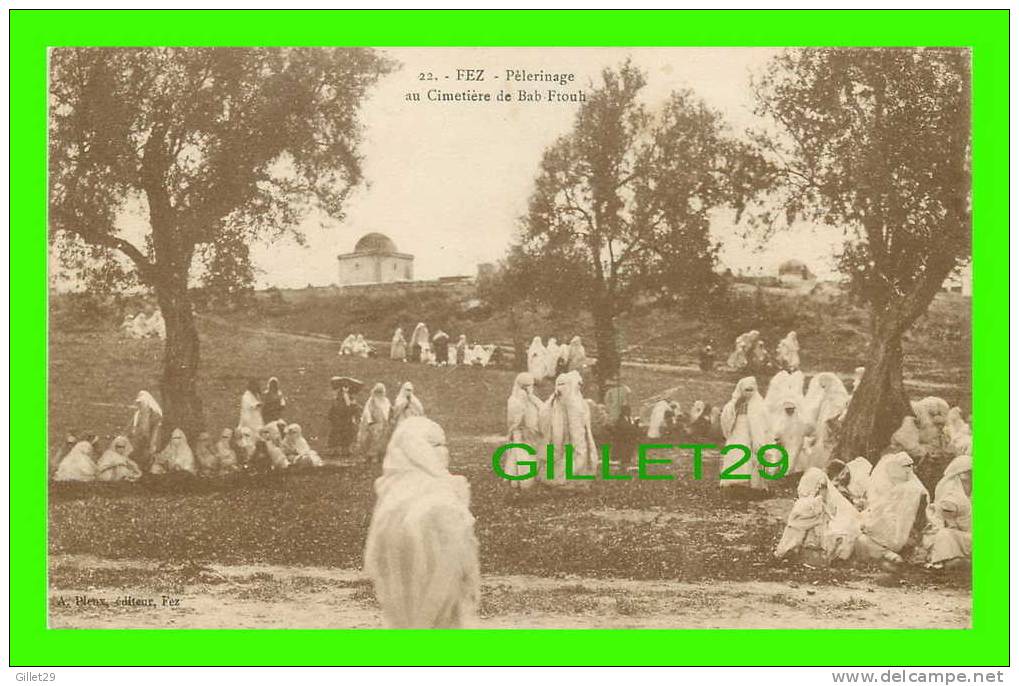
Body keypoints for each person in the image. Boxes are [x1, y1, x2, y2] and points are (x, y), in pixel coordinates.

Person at [363, 417, 480, 628]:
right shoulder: (441, 494)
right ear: (423, 450)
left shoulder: (392, 495)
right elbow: (460, 559)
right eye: (437, 446)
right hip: (438, 602)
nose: (444, 452)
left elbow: (377, 562)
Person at [774, 467, 860, 565]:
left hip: (824, 547)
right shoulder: (822, 503)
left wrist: (781, 552)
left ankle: (789, 553)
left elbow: (795, 529)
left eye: (823, 487)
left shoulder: (811, 504)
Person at [855, 452, 928, 565]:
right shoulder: (909, 487)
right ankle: (887, 555)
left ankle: (887, 554)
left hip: (904, 530)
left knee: (864, 537)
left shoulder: (909, 489)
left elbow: (898, 513)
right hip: (899, 528)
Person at [539, 371, 598, 485]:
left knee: (564, 453)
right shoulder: (569, 401)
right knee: (566, 453)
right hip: (566, 436)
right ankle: (565, 478)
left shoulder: (566, 400)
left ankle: (565, 476)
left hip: (566, 435)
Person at [719, 376, 773, 492]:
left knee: (753, 455)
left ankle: (752, 484)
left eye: (751, 390)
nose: (749, 393)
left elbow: (766, 423)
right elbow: (726, 418)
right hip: (738, 432)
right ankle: (734, 482)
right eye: (746, 390)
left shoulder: (759, 405)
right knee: (737, 453)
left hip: (753, 434)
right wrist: (735, 407)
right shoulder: (733, 403)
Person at [922, 455, 971, 570]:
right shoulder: (952, 495)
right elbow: (952, 523)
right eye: (969, 474)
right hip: (951, 533)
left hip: (964, 534)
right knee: (944, 536)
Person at [802, 372, 850, 468]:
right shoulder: (824, 401)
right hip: (823, 434)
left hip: (831, 432)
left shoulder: (838, 400)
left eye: (825, 386)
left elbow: (834, 417)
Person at [504, 372, 543, 490]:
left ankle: (520, 480)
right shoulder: (516, 400)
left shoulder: (531, 399)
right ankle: (522, 481)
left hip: (529, 433)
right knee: (521, 455)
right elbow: (515, 420)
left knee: (523, 455)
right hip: (522, 433)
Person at [603, 377, 638, 470]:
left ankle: (616, 456)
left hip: (615, 415)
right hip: (622, 414)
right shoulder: (625, 389)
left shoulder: (610, 392)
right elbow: (628, 402)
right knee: (621, 437)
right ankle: (620, 455)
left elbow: (607, 404)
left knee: (616, 436)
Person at [774, 398, 814, 474]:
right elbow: (777, 435)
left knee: (797, 467)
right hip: (786, 448)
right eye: (787, 409)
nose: (789, 411)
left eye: (791, 409)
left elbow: (809, 431)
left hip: (797, 449)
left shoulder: (800, 421)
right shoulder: (781, 421)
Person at [357, 383, 392, 466]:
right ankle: (370, 456)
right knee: (371, 440)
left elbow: (388, 410)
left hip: (382, 423)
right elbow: (367, 411)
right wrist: (369, 421)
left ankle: (378, 455)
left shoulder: (386, 400)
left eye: (381, 392)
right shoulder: (371, 400)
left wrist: (387, 419)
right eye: (378, 392)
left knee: (381, 440)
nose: (379, 394)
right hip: (373, 423)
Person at [127, 391, 163, 471]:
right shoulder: (139, 413)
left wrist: (144, 439)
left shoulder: (153, 414)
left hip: (146, 440)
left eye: (141, 403)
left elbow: (145, 428)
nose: (140, 405)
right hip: (141, 439)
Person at [327, 379, 361, 456]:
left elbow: (354, 407)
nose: (346, 388)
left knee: (347, 434)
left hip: (347, 419)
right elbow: (334, 408)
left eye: (347, 387)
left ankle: (346, 449)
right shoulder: (337, 398)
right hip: (339, 419)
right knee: (336, 434)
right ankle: (335, 450)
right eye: (344, 387)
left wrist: (354, 410)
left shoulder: (351, 398)